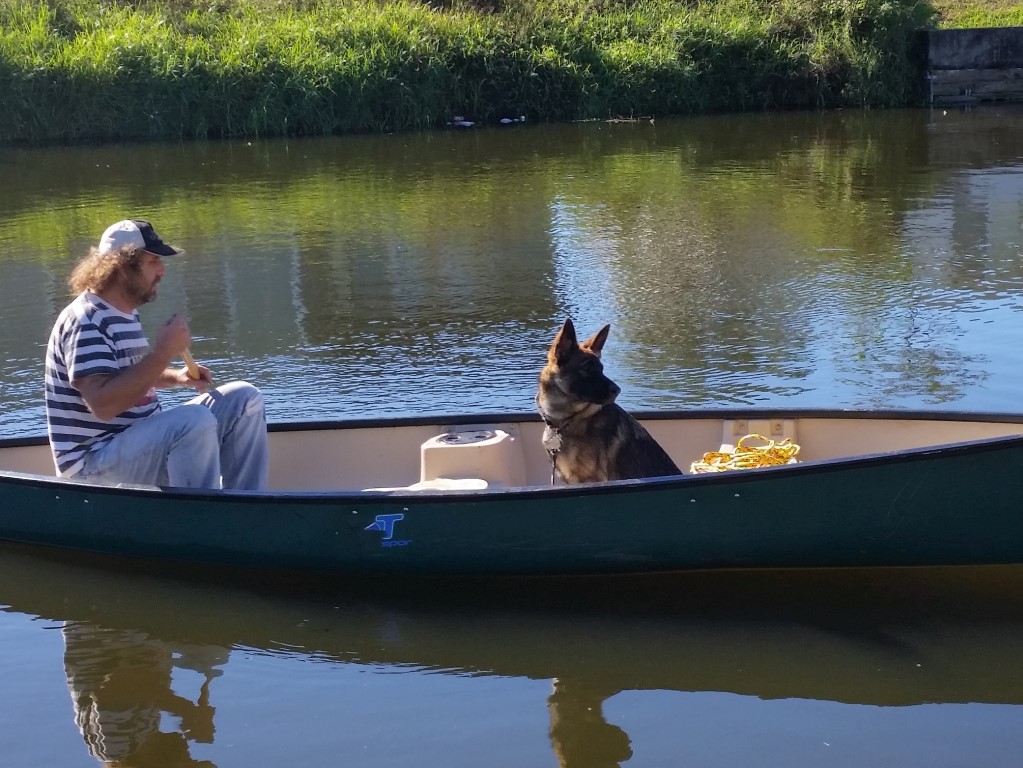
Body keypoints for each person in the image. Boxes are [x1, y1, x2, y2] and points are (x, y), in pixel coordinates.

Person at [45, 219, 268, 489]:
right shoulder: (86, 321)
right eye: (153, 262)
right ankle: (205, 519)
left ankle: (246, 506)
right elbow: (103, 403)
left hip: (135, 449)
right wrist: (163, 352)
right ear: (121, 267)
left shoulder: (122, 311)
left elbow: (127, 373)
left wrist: (175, 377)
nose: (162, 271)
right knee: (193, 421)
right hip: (91, 468)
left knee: (244, 398)